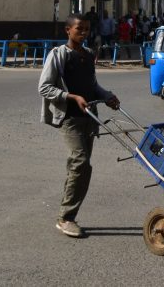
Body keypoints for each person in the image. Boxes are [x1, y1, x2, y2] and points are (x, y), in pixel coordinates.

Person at [38, 13, 120, 238]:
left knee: (81, 168)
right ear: (68, 30)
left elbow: (93, 86)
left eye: (86, 29)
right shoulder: (58, 55)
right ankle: (66, 218)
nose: (83, 33)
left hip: (89, 119)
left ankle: (67, 213)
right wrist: (71, 97)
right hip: (69, 118)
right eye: (79, 29)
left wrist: (107, 96)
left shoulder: (89, 54)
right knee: (80, 161)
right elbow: (44, 87)